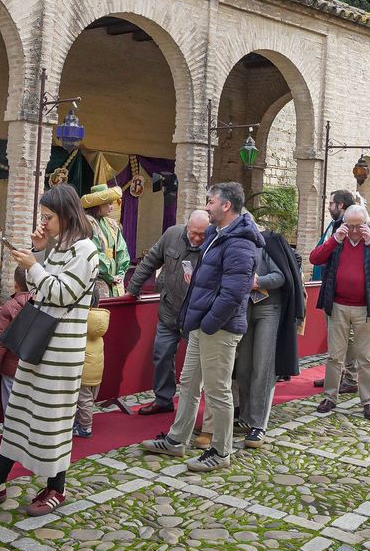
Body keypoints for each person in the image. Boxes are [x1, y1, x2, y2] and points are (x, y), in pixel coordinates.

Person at [0, 185, 98, 516]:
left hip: (61, 352)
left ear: (64, 215)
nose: (43, 222)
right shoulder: (59, 248)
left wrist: (36, 263)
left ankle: (56, 487)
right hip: (39, 345)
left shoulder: (85, 250)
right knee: (19, 413)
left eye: (48, 217)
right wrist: (37, 252)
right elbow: (37, 289)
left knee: (54, 420)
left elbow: (62, 293)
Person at [140, 183, 262, 472]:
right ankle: (176, 439)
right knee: (189, 382)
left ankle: (221, 451)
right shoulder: (216, 235)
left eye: (210, 202)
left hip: (218, 328)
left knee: (218, 390)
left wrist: (207, 323)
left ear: (226, 206)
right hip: (201, 324)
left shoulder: (240, 243)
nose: (207, 207)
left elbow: (234, 293)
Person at [309, 204, 370, 420]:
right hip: (338, 305)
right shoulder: (337, 240)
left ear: (366, 224)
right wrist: (334, 240)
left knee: (366, 358)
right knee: (335, 355)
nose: (355, 230)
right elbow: (315, 258)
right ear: (345, 224)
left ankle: (368, 401)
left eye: (360, 226)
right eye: (351, 225)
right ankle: (330, 396)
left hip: (366, 308)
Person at [124, 210, 211, 415]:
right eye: (194, 233)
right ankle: (163, 399)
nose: (198, 238)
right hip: (170, 310)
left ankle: (196, 409)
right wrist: (132, 289)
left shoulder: (213, 244)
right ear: (186, 226)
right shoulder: (172, 235)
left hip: (195, 316)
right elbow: (150, 261)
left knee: (197, 366)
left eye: (202, 234)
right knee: (161, 354)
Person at [232, 229, 305, 448]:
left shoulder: (267, 243)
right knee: (243, 367)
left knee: (263, 367)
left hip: (269, 309)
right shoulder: (237, 244)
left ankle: (258, 424)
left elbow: (281, 275)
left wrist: (258, 281)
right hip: (245, 310)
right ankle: (245, 416)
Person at [312, 190, 364, 395]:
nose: (329, 206)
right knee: (334, 337)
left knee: (348, 339)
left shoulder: (351, 228)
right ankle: (336, 374)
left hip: (346, 296)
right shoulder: (334, 226)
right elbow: (318, 255)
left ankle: (350, 377)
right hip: (330, 288)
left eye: (331, 202)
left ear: (340, 205)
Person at [0, 268, 33, 413]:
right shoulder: (41, 304)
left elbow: (1, 339)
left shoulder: (9, 307)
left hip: (12, 365)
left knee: (10, 402)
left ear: (15, 285)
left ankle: (10, 431)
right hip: (34, 364)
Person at [73, 281, 111, 439]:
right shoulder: (99, 322)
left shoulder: (82, 322)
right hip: (96, 368)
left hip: (83, 369)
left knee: (83, 400)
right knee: (89, 398)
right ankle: (81, 422)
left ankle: (85, 427)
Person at [82, 184, 131, 297]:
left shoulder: (112, 224)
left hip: (115, 278)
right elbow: (94, 252)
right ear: (98, 205)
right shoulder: (87, 223)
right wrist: (109, 276)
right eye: (109, 204)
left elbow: (121, 250)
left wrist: (120, 273)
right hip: (95, 278)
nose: (112, 207)